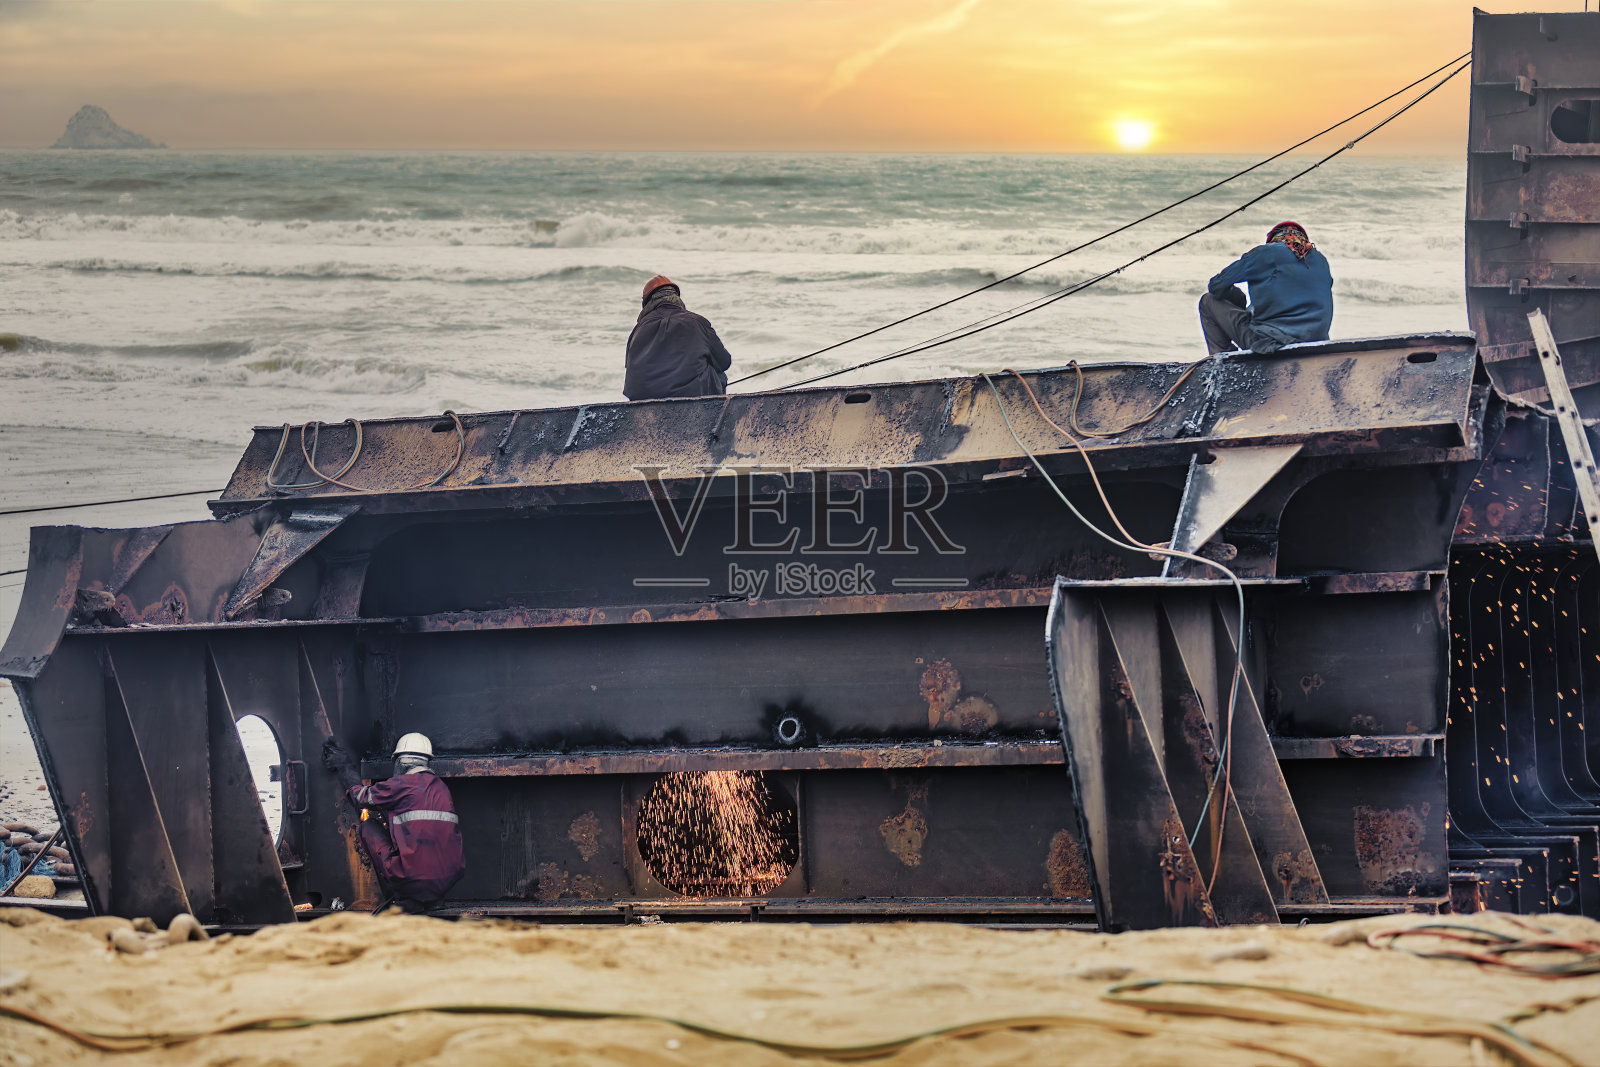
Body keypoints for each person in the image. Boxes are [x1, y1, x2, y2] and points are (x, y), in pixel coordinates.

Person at [322, 732, 465, 913]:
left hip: (411, 878)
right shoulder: (442, 788)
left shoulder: (400, 784)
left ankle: (404, 896)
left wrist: (344, 765)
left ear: (399, 762)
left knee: (368, 827)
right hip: (447, 880)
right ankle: (432, 899)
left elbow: (360, 797)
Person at [1198, 221, 1333, 355]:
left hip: (1270, 343)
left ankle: (1222, 360)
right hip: (1316, 343)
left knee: (1208, 300)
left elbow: (1216, 286)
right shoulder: (1321, 260)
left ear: (1273, 240)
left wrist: (1236, 297)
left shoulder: (1266, 253)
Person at [624, 275, 733, 400]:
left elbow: (630, 369)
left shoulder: (637, 330)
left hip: (641, 401)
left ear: (647, 304)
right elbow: (725, 362)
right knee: (719, 374)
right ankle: (713, 412)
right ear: (676, 298)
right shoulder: (697, 322)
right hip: (692, 398)